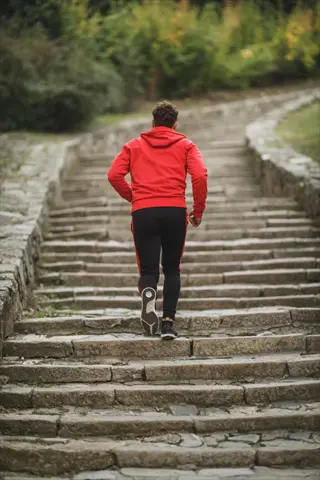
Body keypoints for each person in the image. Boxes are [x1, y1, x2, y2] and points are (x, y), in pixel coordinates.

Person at [108, 101, 207, 340]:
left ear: (152, 124)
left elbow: (114, 175)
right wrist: (198, 211)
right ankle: (168, 324)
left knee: (148, 269)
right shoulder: (186, 145)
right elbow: (200, 175)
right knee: (172, 268)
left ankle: (149, 293)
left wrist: (134, 196)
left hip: (144, 213)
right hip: (174, 211)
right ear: (175, 125)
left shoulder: (133, 146)